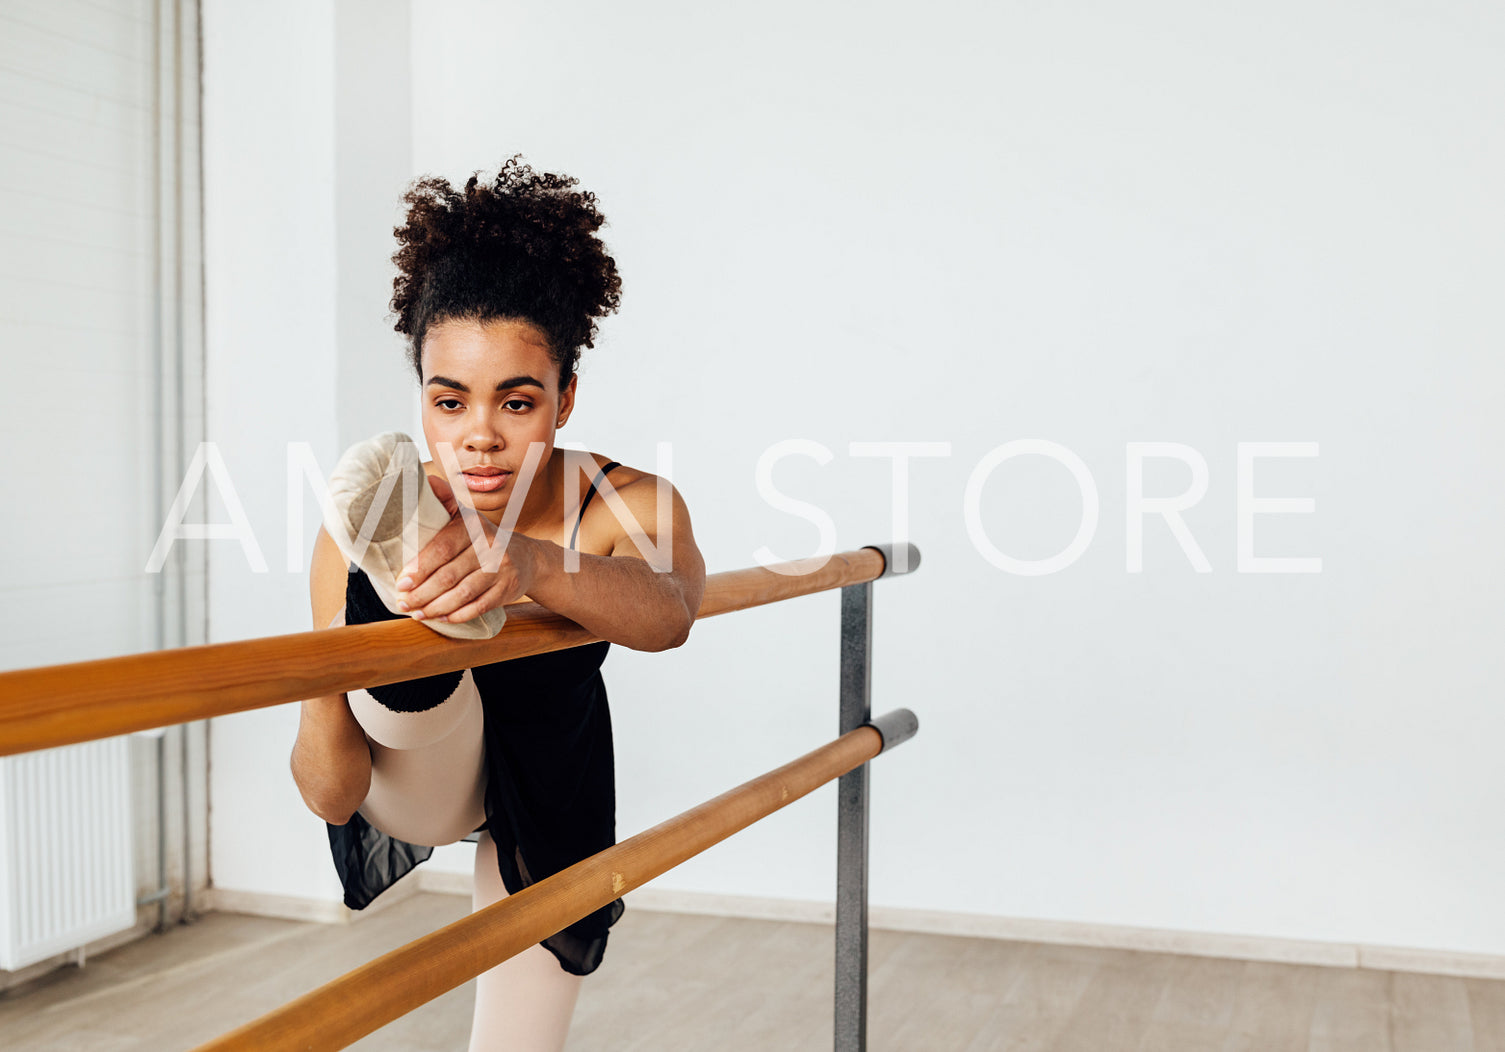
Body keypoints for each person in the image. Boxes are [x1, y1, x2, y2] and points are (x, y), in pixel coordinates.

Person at [289, 157, 707, 1052]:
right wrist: (328, 667)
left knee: (518, 1046)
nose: (478, 435)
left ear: (564, 398)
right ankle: (393, 621)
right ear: (424, 402)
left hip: (549, 781)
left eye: (516, 402)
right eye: (449, 402)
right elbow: (332, 797)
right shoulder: (363, 521)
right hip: (418, 777)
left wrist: (521, 561)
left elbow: (669, 614)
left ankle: (416, 614)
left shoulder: (624, 498)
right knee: (385, 608)